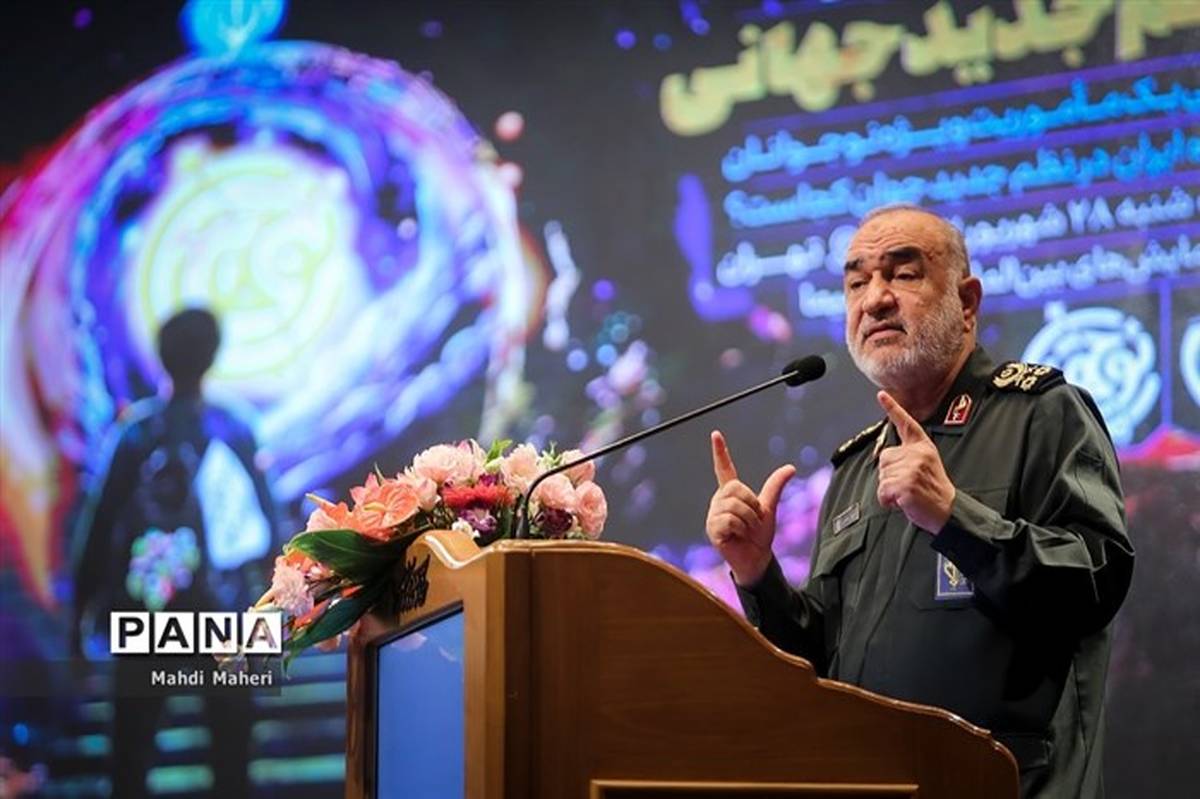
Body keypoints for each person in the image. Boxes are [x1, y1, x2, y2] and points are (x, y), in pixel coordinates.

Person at [705, 205, 1133, 798]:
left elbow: (1096, 582)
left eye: (903, 274)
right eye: (856, 283)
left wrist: (953, 517)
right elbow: (821, 665)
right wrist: (757, 574)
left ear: (967, 302)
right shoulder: (856, 468)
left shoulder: (1042, 414)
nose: (875, 299)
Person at [71, 308, 277, 798]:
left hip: (148, 611)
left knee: (130, 761)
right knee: (232, 763)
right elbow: (266, 531)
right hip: (229, 618)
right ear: (213, 354)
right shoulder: (235, 428)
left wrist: (81, 617)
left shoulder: (137, 433)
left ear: (160, 356)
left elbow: (100, 529)